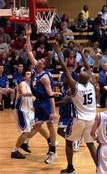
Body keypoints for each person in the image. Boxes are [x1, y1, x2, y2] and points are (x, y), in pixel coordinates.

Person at [53, 43, 97, 174]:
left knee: (68, 142)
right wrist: (81, 52)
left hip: (79, 119)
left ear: (79, 79)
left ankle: (70, 168)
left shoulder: (75, 87)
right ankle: (99, 168)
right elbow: (88, 68)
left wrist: (58, 52)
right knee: (90, 145)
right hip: (92, 119)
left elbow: (65, 70)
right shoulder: (91, 84)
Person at [25, 25, 58, 164]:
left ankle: (53, 152)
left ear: (43, 66)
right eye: (39, 60)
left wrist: (54, 111)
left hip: (45, 102)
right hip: (38, 102)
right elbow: (29, 52)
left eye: (42, 61)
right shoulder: (34, 70)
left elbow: (50, 95)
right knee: (38, 127)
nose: (38, 60)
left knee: (50, 125)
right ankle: (52, 143)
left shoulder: (44, 77)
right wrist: (28, 35)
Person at [11, 70, 51, 159]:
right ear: (24, 77)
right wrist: (40, 93)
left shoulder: (33, 87)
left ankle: (49, 141)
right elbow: (24, 93)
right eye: (27, 73)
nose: (30, 75)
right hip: (21, 110)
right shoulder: (22, 83)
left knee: (38, 126)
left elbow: (34, 99)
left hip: (29, 111)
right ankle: (14, 151)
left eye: (31, 74)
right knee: (25, 132)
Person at [91, 109, 107, 174]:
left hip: (103, 147)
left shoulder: (99, 115)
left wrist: (96, 138)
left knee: (101, 171)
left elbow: (92, 133)